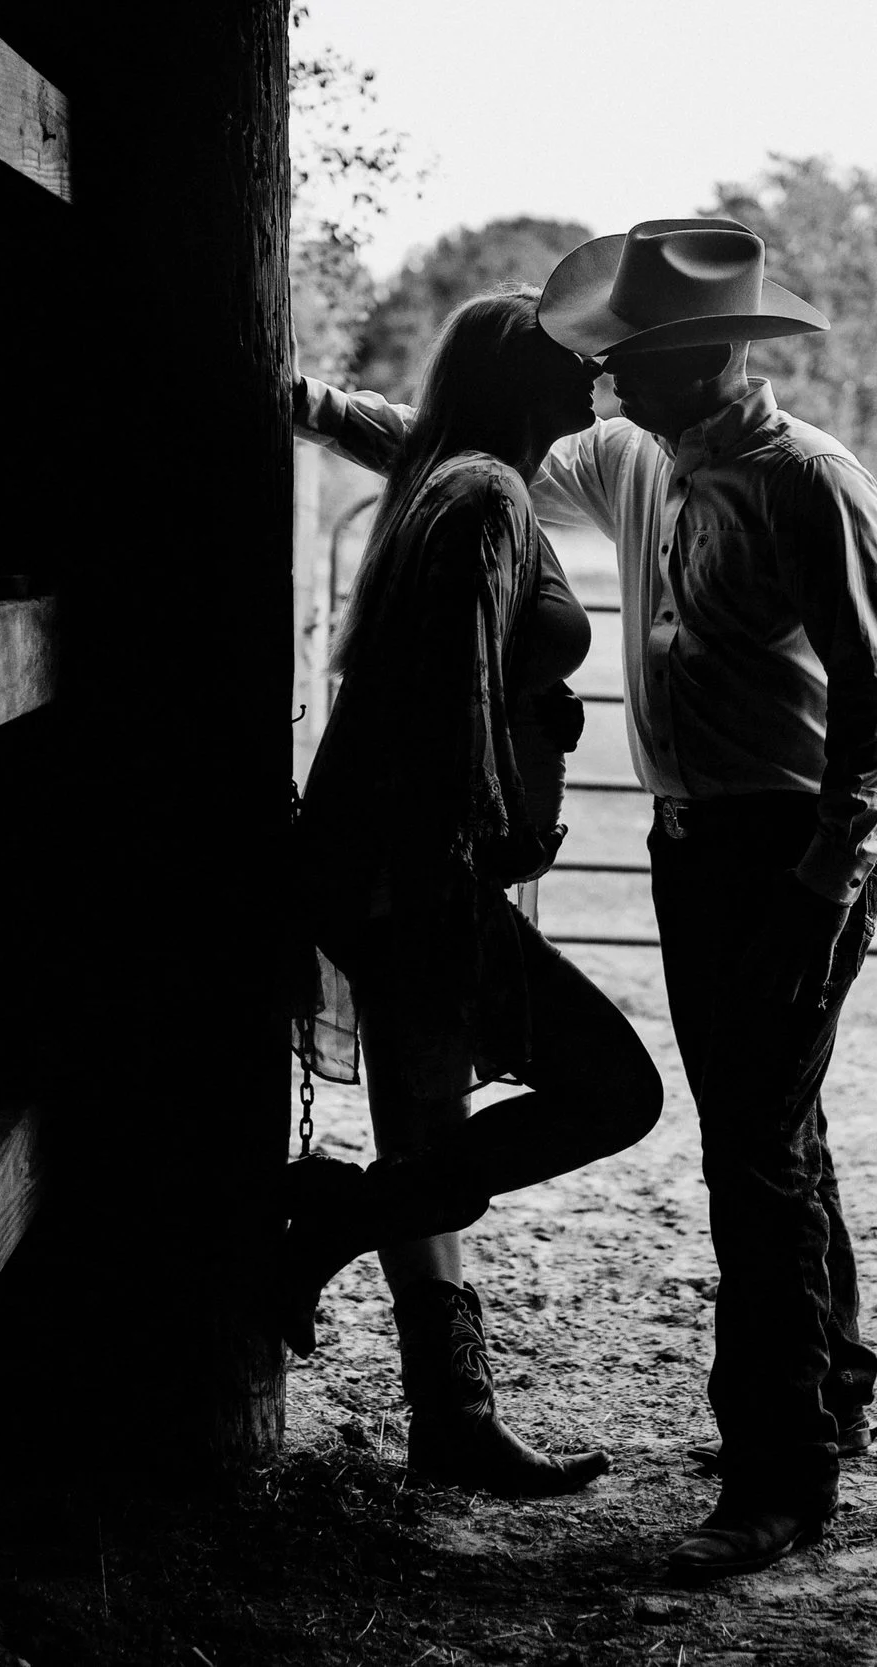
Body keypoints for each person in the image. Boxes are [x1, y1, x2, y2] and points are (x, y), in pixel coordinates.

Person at [297, 220, 877, 1579]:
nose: (608, 373)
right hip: (693, 846)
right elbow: (454, 436)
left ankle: (778, 1473)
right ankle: (828, 1390)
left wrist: (826, 881)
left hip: (790, 847)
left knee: (752, 1151)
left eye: (634, 353)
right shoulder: (639, 457)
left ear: (710, 353)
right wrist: (306, 401)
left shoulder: (810, 482)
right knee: (774, 1125)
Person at [284, 288, 665, 1500]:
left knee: (426, 1123)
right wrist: (467, 849)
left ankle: (450, 1416)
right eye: (565, 361)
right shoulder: (487, 496)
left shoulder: (457, 477)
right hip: (421, 868)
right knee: (614, 1090)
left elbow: (460, 673)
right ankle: (334, 1225)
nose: (589, 376)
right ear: (517, 380)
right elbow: (445, 690)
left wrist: (530, 709)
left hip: (390, 858)